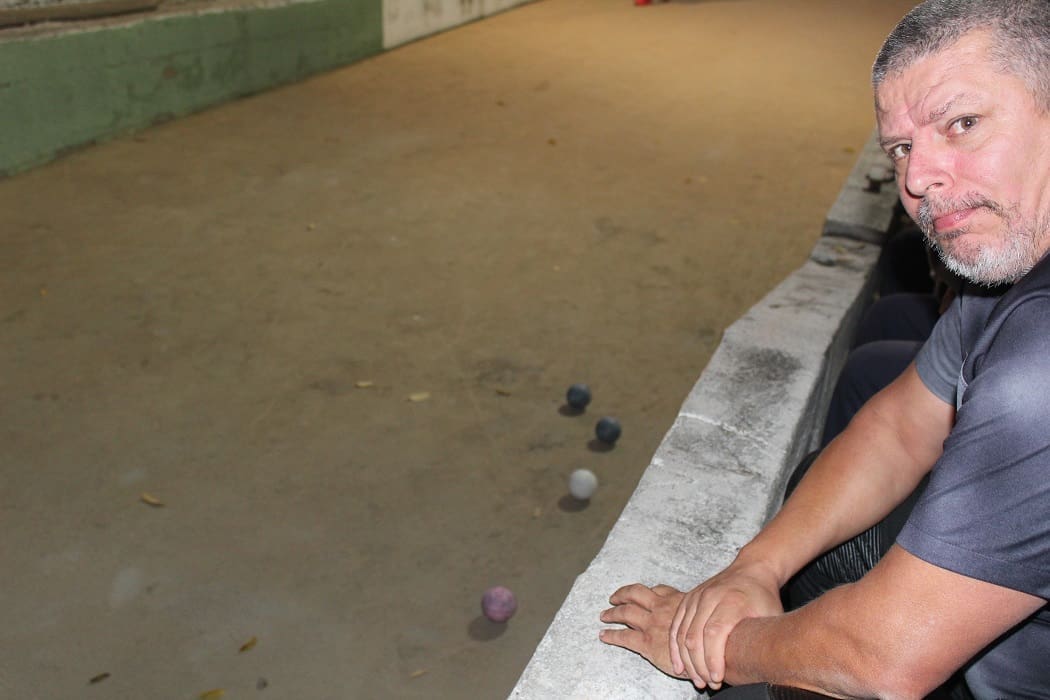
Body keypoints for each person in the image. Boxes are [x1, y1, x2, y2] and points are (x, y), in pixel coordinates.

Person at [598, 1, 1050, 697]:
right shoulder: (1008, 263)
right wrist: (753, 568)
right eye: (901, 148)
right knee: (816, 516)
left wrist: (715, 645)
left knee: (773, 677)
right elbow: (901, 427)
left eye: (962, 123)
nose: (918, 179)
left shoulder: (1038, 368)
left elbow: (885, 660)